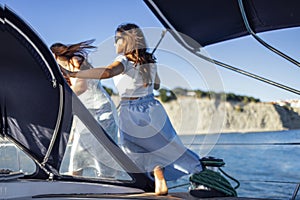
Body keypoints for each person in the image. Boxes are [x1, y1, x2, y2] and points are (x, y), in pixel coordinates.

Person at [60, 23, 202, 195]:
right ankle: (160, 171)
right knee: (161, 146)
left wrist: (75, 74)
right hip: (153, 109)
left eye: (116, 40)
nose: (114, 44)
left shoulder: (124, 60)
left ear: (126, 41)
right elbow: (156, 85)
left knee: (132, 150)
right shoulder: (150, 61)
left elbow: (107, 72)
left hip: (131, 112)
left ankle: (180, 169)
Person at [50, 40, 119, 177]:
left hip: (100, 110)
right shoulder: (64, 70)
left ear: (55, 55)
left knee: (103, 152)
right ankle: (76, 186)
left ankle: (108, 186)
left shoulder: (75, 61)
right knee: (79, 152)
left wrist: (60, 100)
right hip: (87, 112)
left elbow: (81, 87)